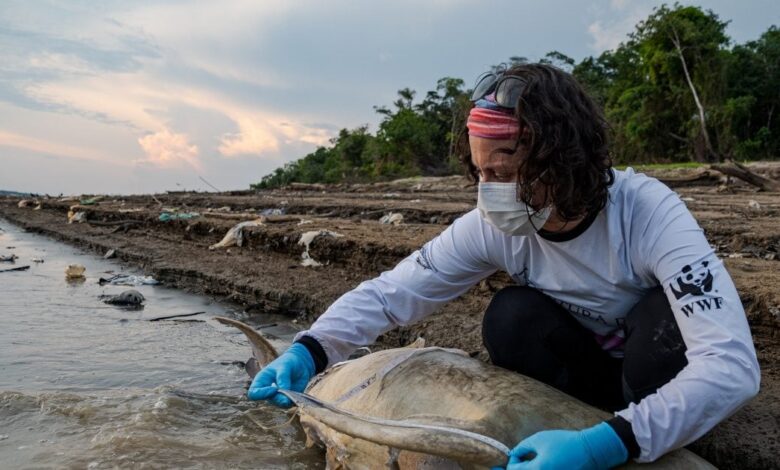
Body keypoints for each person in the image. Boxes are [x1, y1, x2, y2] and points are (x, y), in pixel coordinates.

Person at [247, 64, 760, 469]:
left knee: (664, 322)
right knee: (511, 316)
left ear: (567, 160)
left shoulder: (649, 213)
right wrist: (310, 350)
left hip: (650, 374)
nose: (491, 193)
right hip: (583, 373)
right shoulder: (492, 225)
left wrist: (609, 444)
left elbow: (731, 368)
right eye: (481, 173)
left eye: (508, 172)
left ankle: (632, 433)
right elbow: (391, 294)